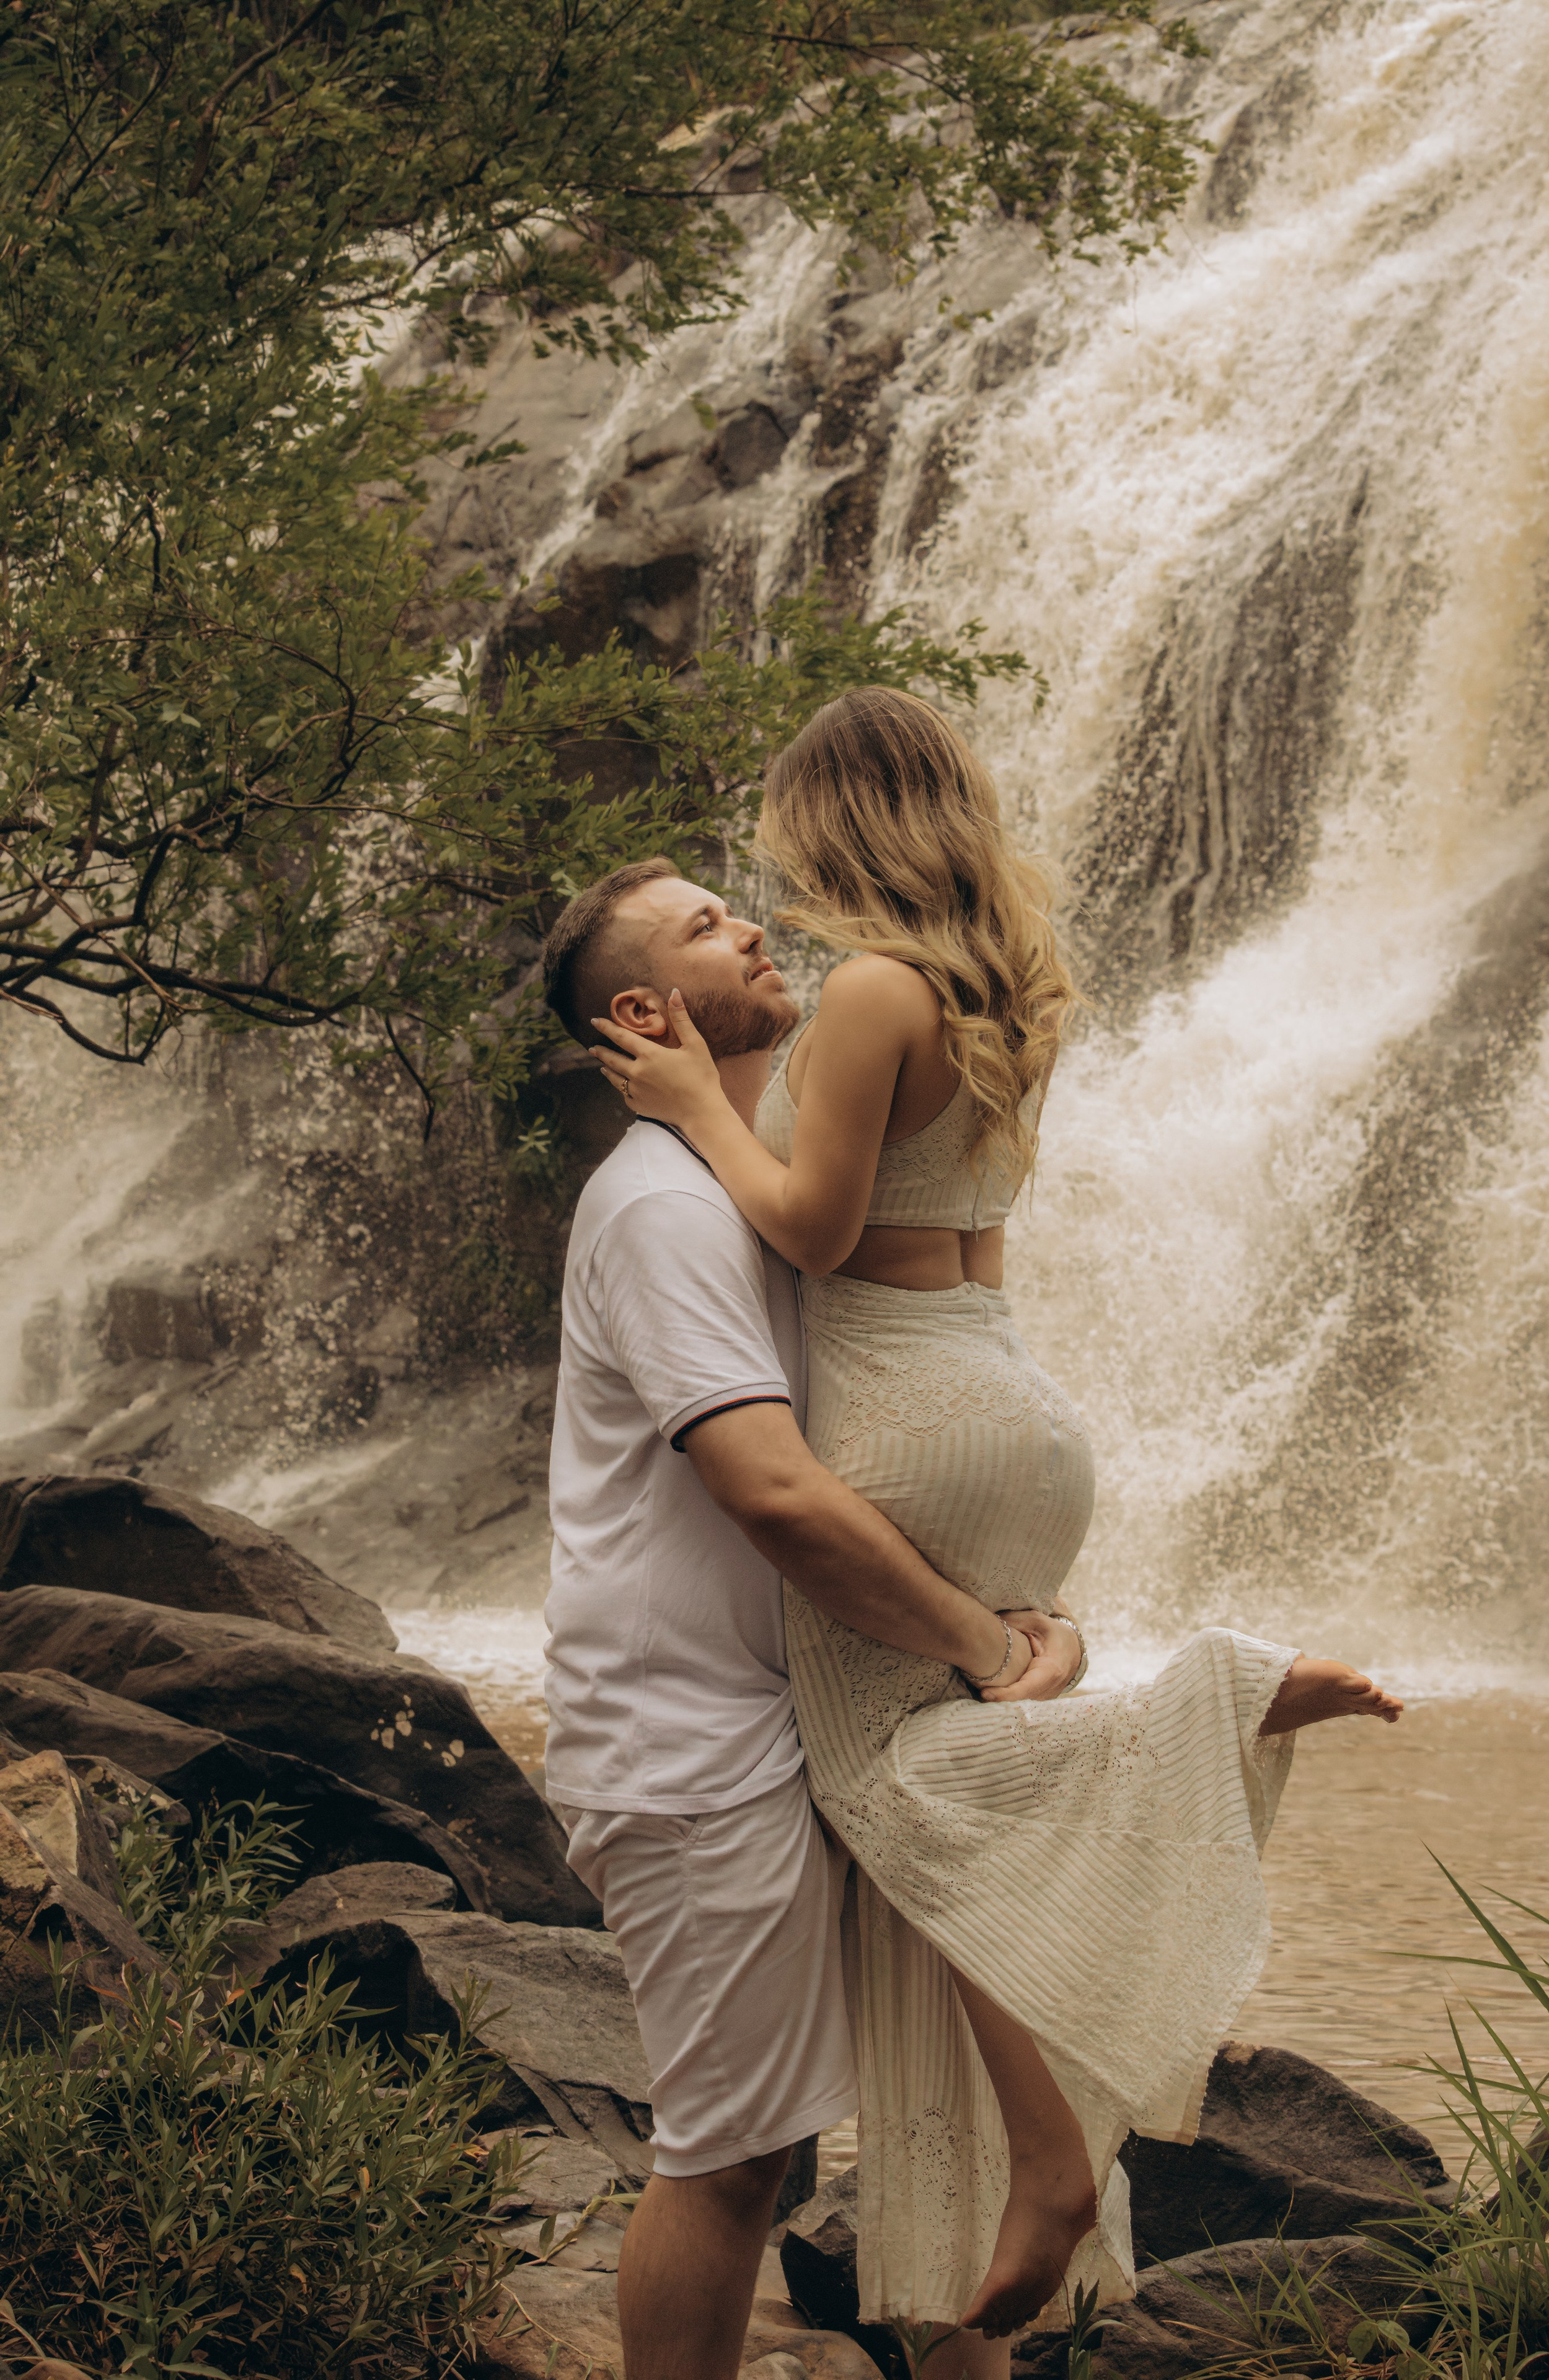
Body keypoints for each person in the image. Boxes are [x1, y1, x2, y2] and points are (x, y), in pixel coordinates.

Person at [590, 689, 1404, 2378]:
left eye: (783, 838)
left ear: (836, 823)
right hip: (1015, 1405)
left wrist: (693, 1111)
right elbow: (964, 1236)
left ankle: (1203, 1720)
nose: (768, 883)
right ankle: (978, 2302)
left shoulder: (870, 990)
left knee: (904, 1785)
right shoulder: (1002, 996)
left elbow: (815, 1233)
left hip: (902, 1414)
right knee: (960, 1791)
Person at [538, 856, 1085, 2380]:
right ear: (644, 1010)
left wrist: (1019, 1601)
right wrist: (979, 1649)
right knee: (736, 2155)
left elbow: (911, 1430)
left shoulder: (789, 1178)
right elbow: (773, 1491)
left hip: (833, 1707)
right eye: (710, 926)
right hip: (689, 1734)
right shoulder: (659, 1207)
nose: (755, 925)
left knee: (928, 2121)